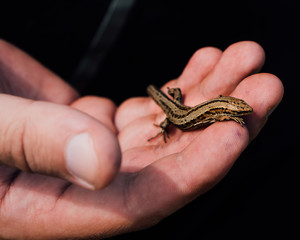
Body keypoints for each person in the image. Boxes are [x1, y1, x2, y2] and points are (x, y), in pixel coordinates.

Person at [0, 39, 283, 239]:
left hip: (182, 111)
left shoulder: (223, 106)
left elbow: (218, 110)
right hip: (179, 117)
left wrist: (230, 113)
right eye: (239, 109)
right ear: (230, 106)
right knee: (173, 113)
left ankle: (165, 99)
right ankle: (163, 113)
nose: (243, 110)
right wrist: (167, 127)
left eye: (240, 109)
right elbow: (216, 114)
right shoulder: (221, 111)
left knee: (177, 102)